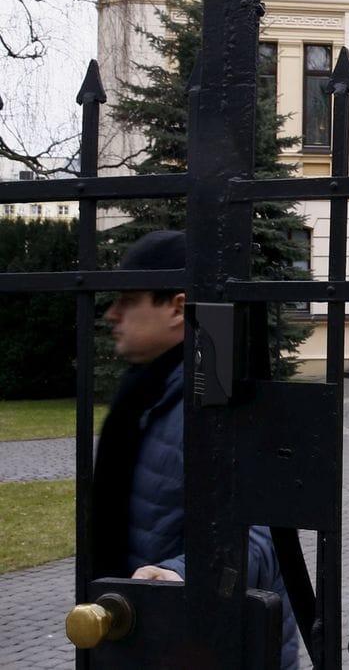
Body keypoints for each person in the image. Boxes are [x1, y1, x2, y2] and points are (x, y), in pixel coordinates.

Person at [91, 230, 300, 668]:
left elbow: (258, 533)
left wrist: (179, 573)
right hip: (152, 632)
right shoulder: (148, 393)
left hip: (210, 643)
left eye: (128, 299)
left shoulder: (215, 397)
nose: (111, 314)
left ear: (177, 307)